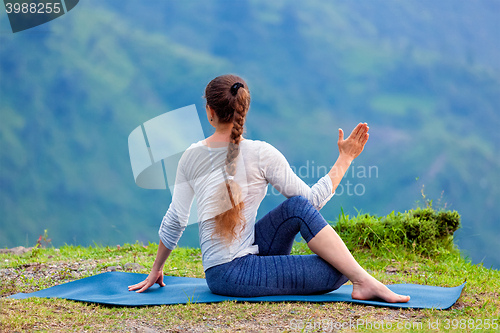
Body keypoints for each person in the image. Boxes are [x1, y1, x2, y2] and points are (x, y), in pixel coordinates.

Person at [128, 74, 410, 303]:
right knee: (338, 270)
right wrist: (346, 158)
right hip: (231, 275)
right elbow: (315, 200)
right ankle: (362, 281)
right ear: (244, 110)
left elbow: (175, 220)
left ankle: (361, 279)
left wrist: (156, 269)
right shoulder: (262, 152)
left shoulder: (191, 154)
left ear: (210, 112)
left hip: (229, 265)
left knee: (298, 210)